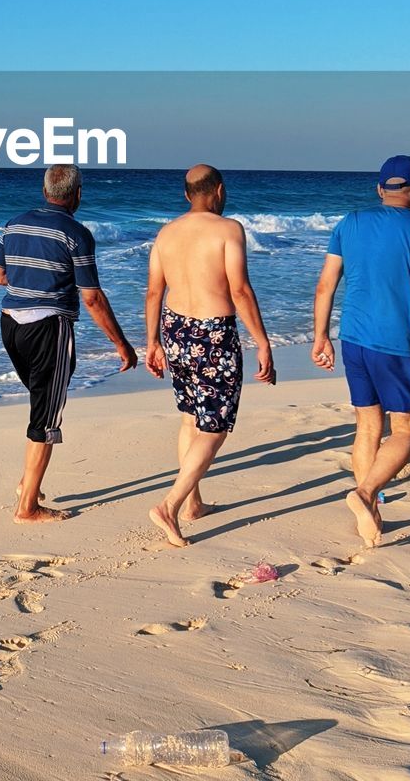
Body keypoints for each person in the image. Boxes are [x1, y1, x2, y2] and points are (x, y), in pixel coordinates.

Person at [311, 155, 410, 548]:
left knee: (367, 425)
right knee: (409, 428)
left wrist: (320, 336)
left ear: (380, 189)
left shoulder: (349, 222)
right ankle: (365, 495)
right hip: (397, 344)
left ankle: (372, 511)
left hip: (353, 339)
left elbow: (325, 285)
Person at [0, 163, 137, 523]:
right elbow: (92, 298)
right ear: (77, 193)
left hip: (10, 325)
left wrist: (30, 275)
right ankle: (27, 508)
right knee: (46, 415)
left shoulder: (15, 223)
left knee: (41, 402)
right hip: (48, 328)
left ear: (45, 191)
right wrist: (122, 344)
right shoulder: (76, 233)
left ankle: (28, 484)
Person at [144, 165, 275, 547]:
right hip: (212, 332)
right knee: (214, 427)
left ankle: (193, 503)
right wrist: (262, 342)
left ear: (187, 195)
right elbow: (240, 290)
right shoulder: (228, 229)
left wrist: (151, 342)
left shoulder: (166, 233)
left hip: (173, 328)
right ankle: (170, 504)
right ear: (219, 191)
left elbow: (154, 292)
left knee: (190, 418)